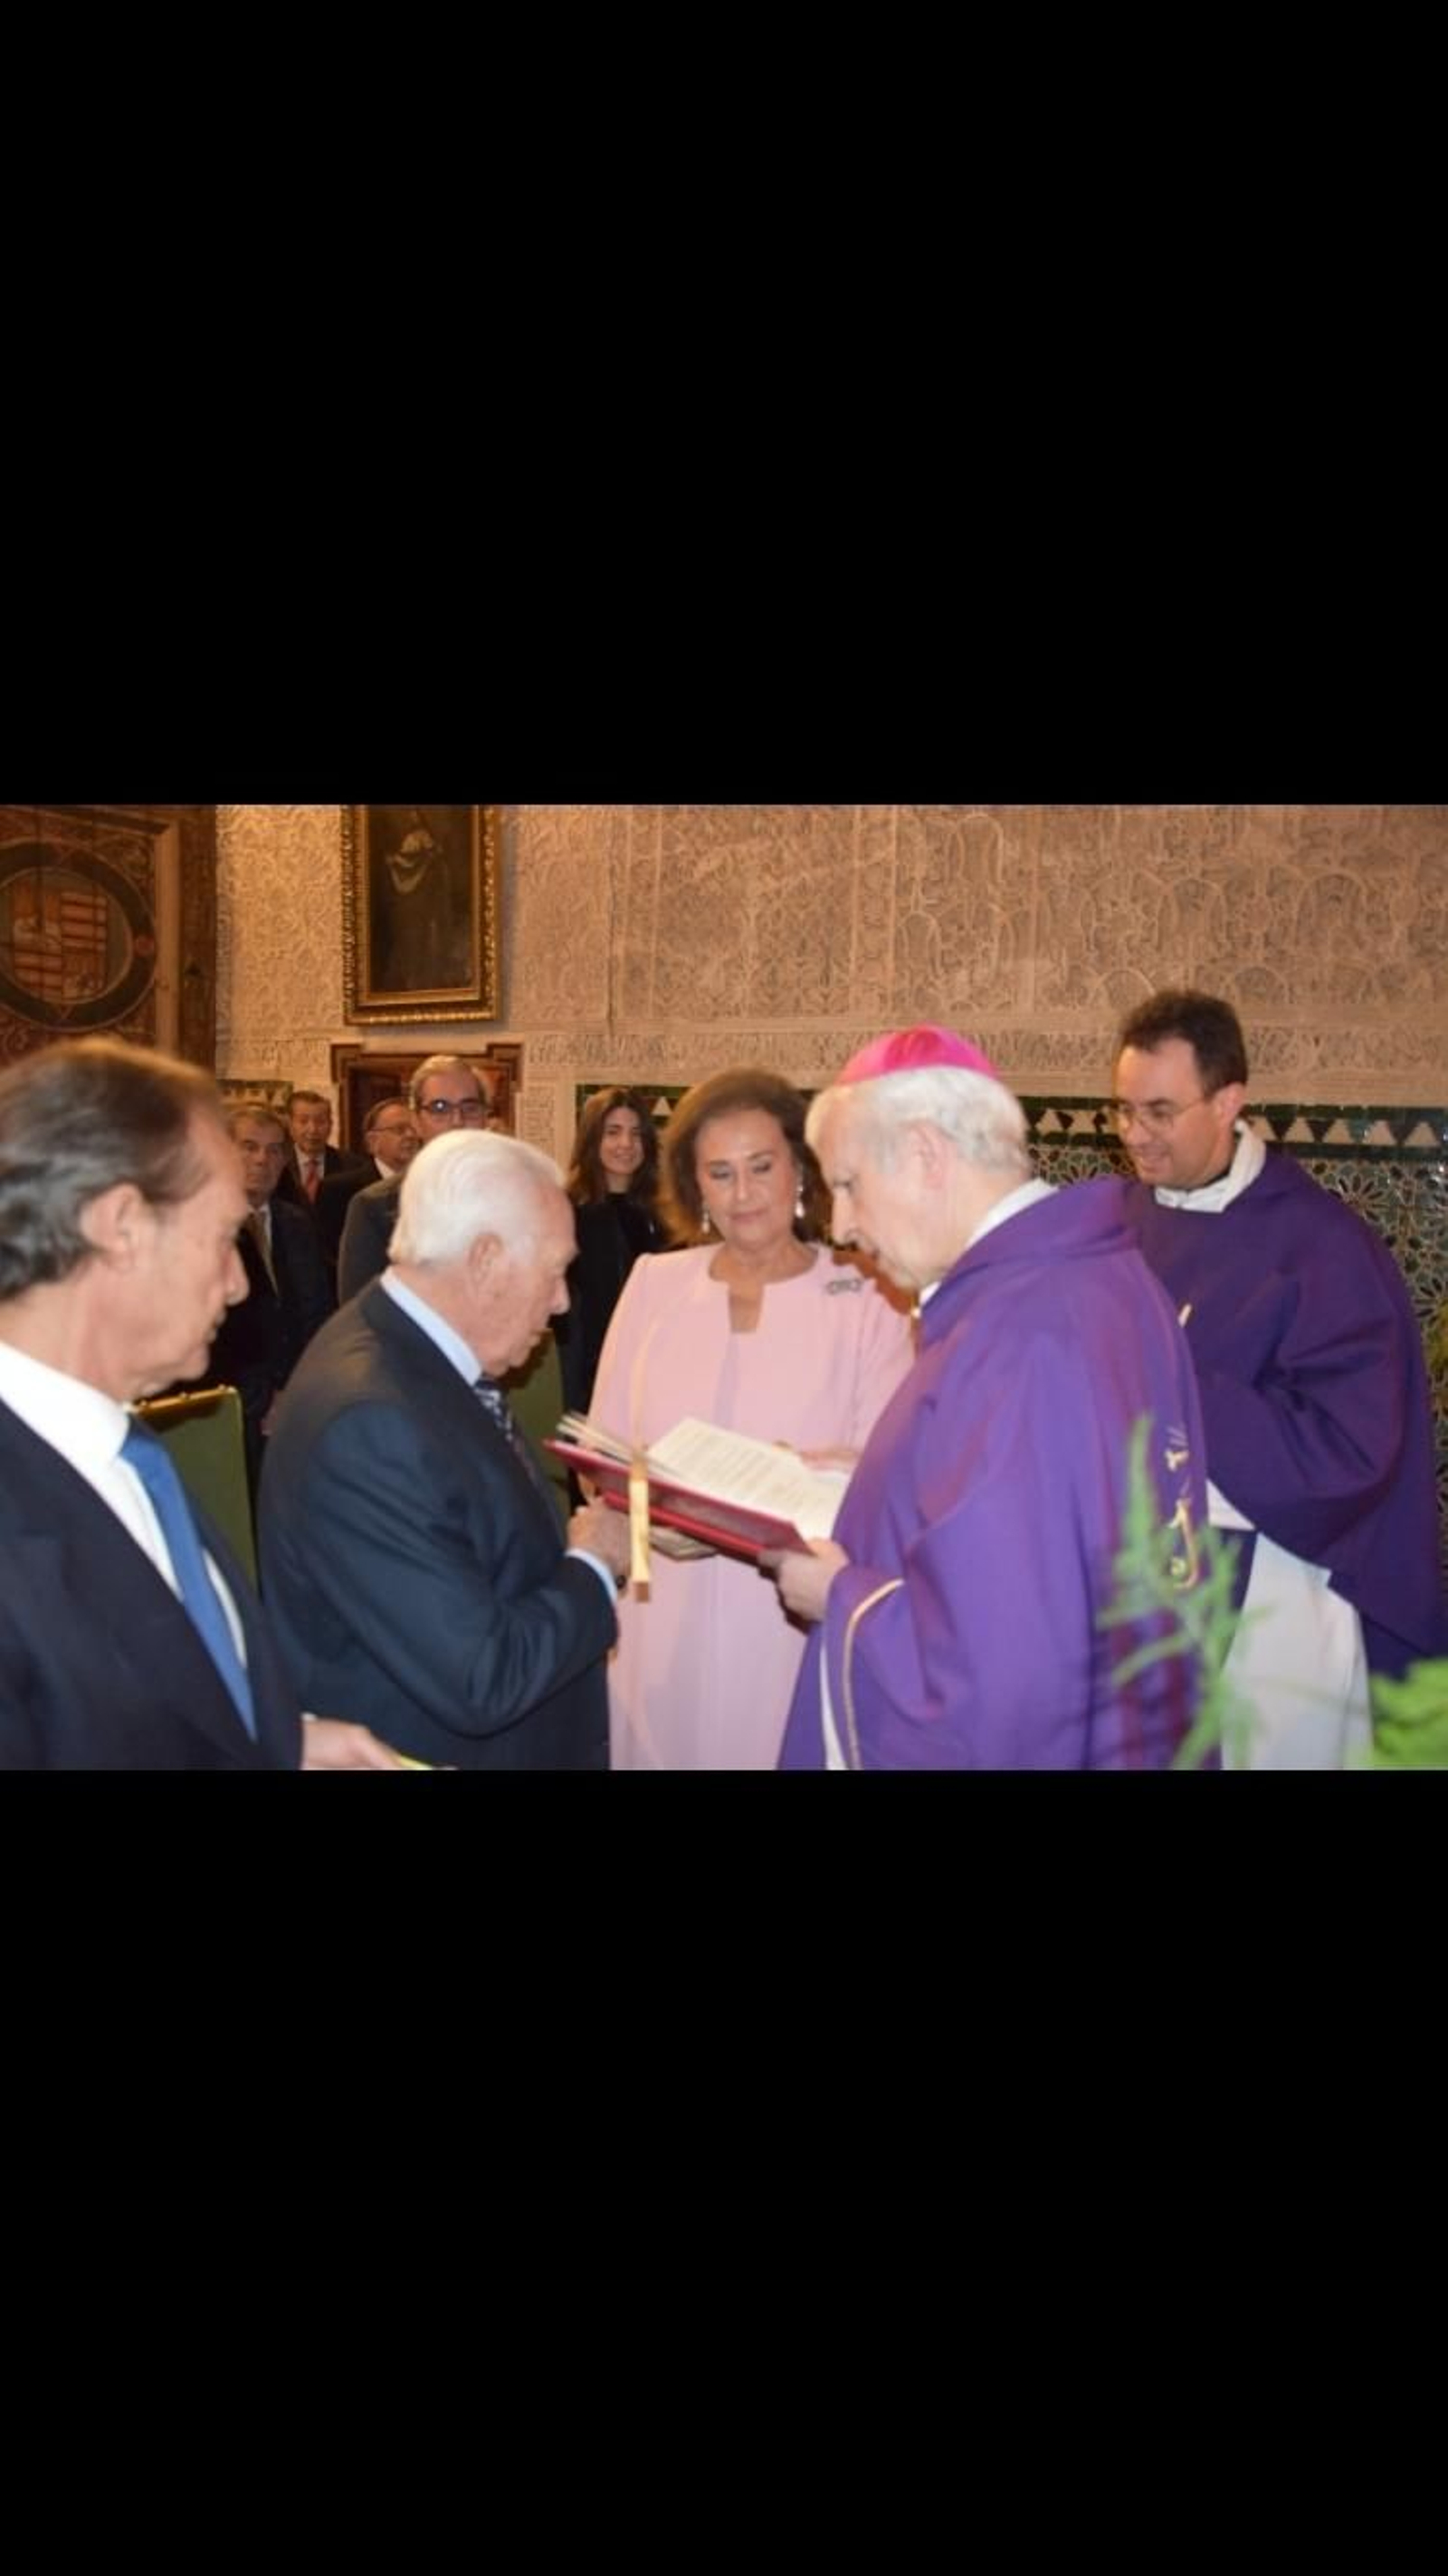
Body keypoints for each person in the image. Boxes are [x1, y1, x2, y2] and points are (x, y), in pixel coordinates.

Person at [772, 1026, 1208, 1771]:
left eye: (846, 1185)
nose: (841, 1228)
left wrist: (839, 1595)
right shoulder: (1104, 1283)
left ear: (924, 1154)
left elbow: (997, 1683)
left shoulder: (1021, 1335)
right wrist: (880, 1480)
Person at [0, 1037, 401, 1770]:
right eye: (221, 1239)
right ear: (120, 1228)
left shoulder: (126, 1449)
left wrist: (280, 1744)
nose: (239, 1282)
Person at [1110, 987, 1448, 1767]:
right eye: (1123, 1111)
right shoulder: (1115, 1222)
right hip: (1126, 1579)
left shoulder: (1323, 1250)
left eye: (1160, 1111)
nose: (1136, 1137)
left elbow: (1352, 1453)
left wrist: (1176, 1386)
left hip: (1267, 1592)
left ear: (1229, 1100)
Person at [259, 1129, 633, 1768]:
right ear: (485, 1259)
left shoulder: (411, 1351)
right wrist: (595, 1564)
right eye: (554, 1271)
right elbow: (482, 1677)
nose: (563, 1301)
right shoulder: (372, 1419)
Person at [589, 1066, 915, 1770]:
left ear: (801, 1168)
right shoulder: (654, 1284)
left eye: (761, 1167)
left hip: (787, 1609)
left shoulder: (864, 1295)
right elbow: (607, 1455)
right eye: (720, 1173)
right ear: (695, 1185)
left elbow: (885, 1476)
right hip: (660, 1605)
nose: (743, 1194)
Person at [195, 1102, 334, 1505]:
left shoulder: (296, 1222)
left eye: (275, 1150)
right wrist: (263, 1398)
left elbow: (318, 1313)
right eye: (250, 1147)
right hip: (232, 1410)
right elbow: (207, 1331)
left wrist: (303, 1390)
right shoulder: (201, 1226)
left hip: (300, 1406)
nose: (263, 1160)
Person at [337, 1054, 491, 1301]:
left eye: (470, 1108)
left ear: (485, 1117)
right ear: (417, 1121)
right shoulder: (374, 1207)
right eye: (439, 1108)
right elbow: (360, 1316)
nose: (457, 1121)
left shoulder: (516, 1198)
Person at [556, 1087, 667, 1416]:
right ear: (592, 1140)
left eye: (636, 1134)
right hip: (588, 1368)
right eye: (613, 1132)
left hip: (653, 1366)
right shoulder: (566, 1210)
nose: (626, 1145)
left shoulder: (666, 1212)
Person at [314, 1094, 417, 1288]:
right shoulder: (340, 1189)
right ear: (372, 1141)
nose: (410, 1136)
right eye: (399, 1130)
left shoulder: (430, 1186)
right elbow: (329, 1260)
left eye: (414, 1129)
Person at [274, 1087, 367, 1216]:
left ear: (330, 1125)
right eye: (303, 1121)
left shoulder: (354, 1166)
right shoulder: (277, 1164)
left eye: (320, 1121)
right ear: (290, 1125)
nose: (313, 1129)